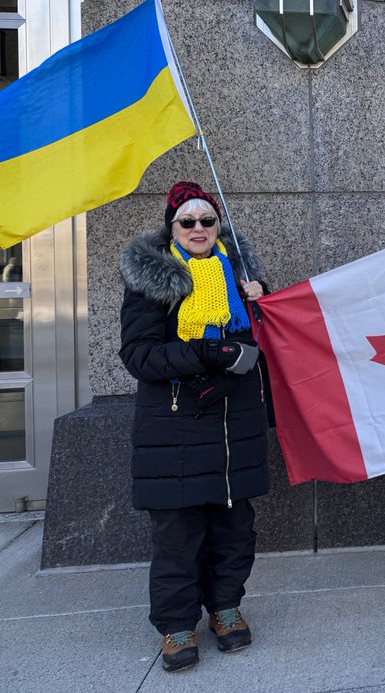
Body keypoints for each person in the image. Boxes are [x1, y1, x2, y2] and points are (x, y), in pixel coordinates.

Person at [119, 181, 270, 672]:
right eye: (189, 222)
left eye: (208, 220)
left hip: (233, 425)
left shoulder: (240, 275)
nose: (200, 229)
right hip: (177, 426)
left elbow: (267, 343)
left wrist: (261, 304)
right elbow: (138, 355)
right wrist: (203, 352)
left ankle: (225, 609)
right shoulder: (154, 283)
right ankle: (176, 625)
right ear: (173, 228)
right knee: (178, 534)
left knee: (234, 528)